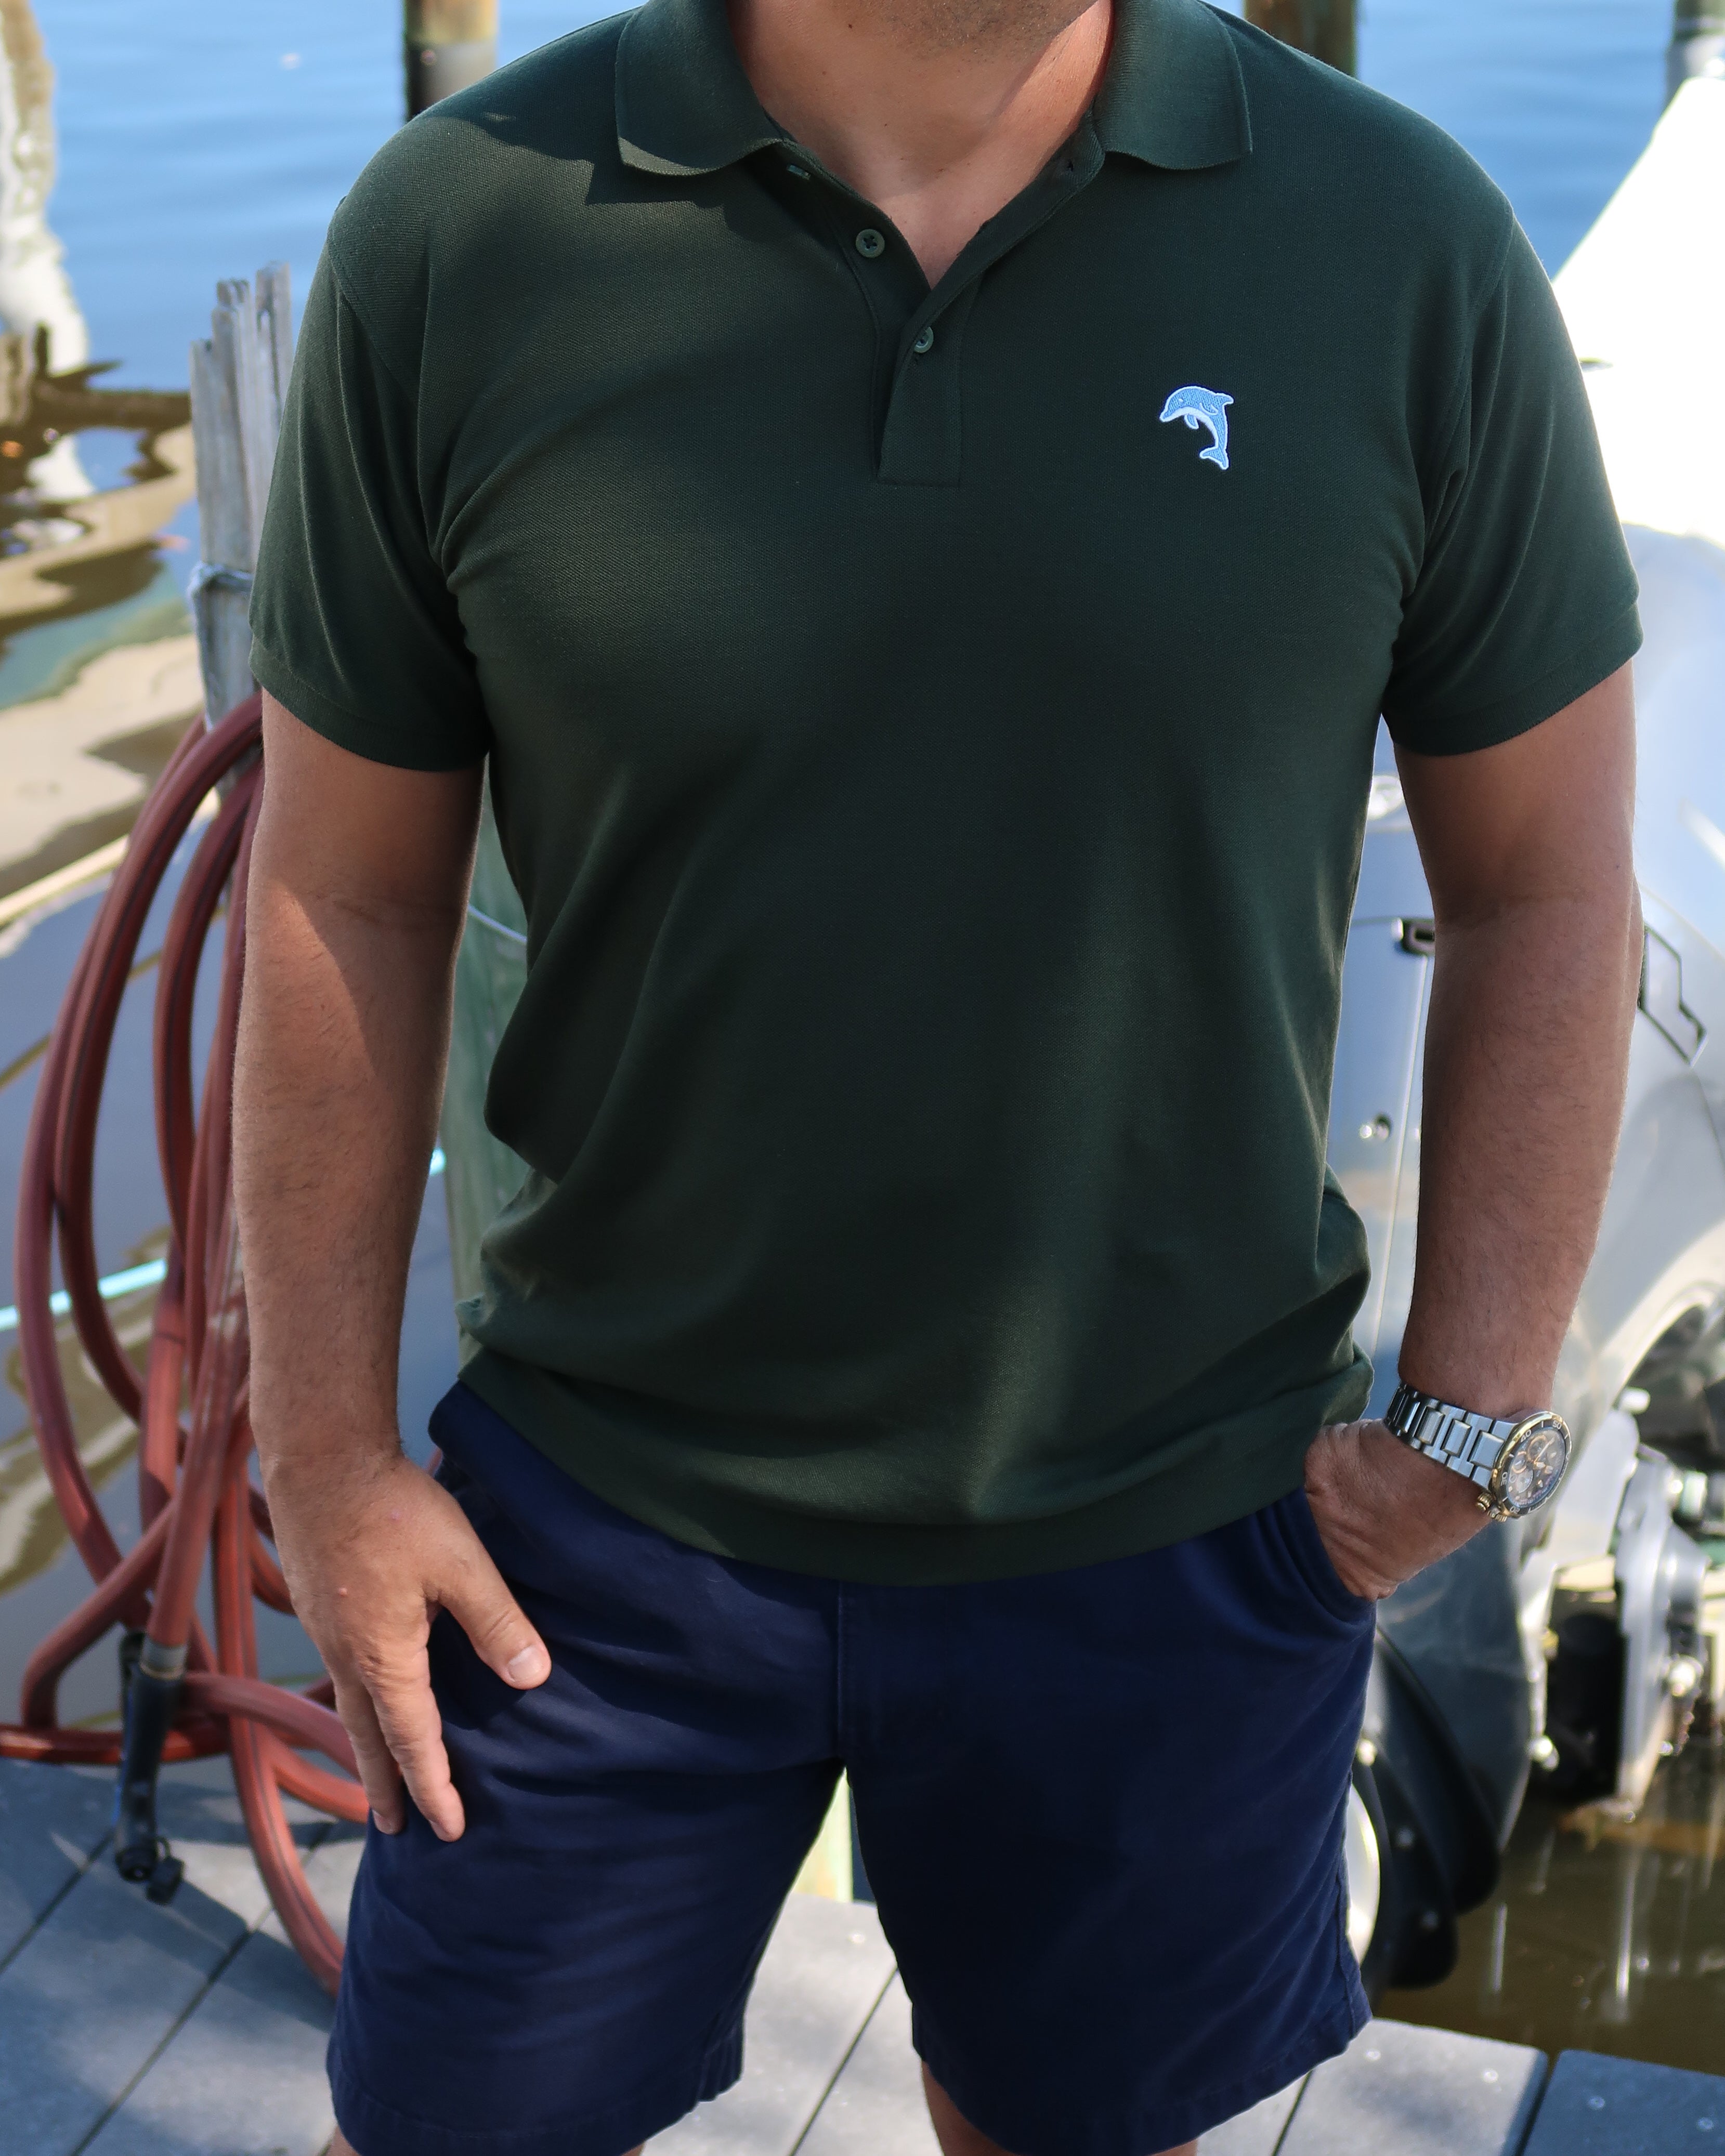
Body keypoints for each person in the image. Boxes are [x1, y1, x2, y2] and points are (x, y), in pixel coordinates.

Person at [234, 0, 1643, 2147]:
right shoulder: (467, 232)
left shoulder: (1395, 245)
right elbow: (342, 886)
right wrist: (327, 1458)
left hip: (1173, 1517)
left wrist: (1463, 1418)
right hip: (598, 1522)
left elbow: (1544, 887)